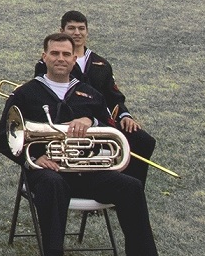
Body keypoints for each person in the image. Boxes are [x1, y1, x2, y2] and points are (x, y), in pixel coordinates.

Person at [0, 32, 172, 256]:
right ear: (44, 57)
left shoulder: (89, 94)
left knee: (132, 187)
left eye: (66, 54)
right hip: (47, 172)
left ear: (73, 58)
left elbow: (112, 129)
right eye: (54, 53)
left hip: (88, 172)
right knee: (53, 185)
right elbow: (3, 137)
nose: (60, 58)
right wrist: (31, 160)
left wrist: (92, 122)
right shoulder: (25, 93)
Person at [38, 10, 157, 183]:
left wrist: (125, 115)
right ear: (62, 31)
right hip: (72, 122)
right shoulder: (53, 62)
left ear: (87, 32)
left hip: (103, 120)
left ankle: (129, 185)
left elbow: (114, 96)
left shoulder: (101, 63)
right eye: (71, 28)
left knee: (143, 141)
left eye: (81, 28)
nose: (77, 33)